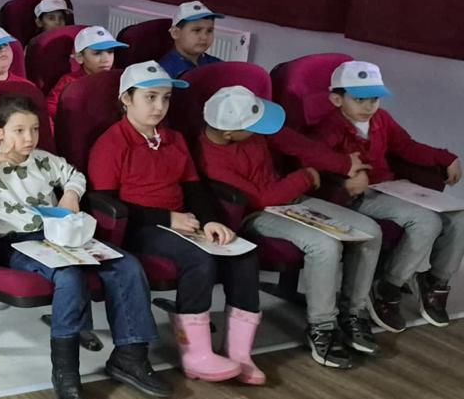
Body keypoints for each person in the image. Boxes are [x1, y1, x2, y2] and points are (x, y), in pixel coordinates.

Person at [0, 94, 171, 399]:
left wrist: (70, 194)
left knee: (126, 266)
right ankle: (66, 372)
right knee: (69, 278)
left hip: (57, 234)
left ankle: (131, 357)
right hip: (15, 242)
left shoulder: (44, 160)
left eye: (34, 129)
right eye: (19, 131)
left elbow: (74, 175)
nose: (29, 138)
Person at [87, 61, 262, 384]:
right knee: (199, 260)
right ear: (126, 99)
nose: (159, 107)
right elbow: (108, 206)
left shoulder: (175, 139)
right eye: (150, 97)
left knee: (243, 254)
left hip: (182, 223)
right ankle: (196, 354)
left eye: (166, 98)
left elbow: (194, 188)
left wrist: (211, 221)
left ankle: (238, 352)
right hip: (139, 228)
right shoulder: (110, 144)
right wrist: (167, 218)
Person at [194, 85, 384, 369]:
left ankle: (353, 313)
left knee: (371, 231)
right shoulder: (210, 159)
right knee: (324, 245)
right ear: (229, 133)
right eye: (254, 127)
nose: (260, 130)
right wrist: (305, 177)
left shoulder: (249, 128)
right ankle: (322, 327)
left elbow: (299, 144)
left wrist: (345, 164)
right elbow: (261, 199)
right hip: (257, 214)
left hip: (292, 200)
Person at [311, 60, 462, 330]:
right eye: (359, 100)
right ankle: (388, 286)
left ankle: (435, 281)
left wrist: (445, 157)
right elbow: (317, 163)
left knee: (458, 215)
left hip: (391, 187)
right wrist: (346, 178)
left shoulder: (381, 119)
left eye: (374, 99)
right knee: (426, 221)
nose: (368, 107)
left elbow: (406, 146)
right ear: (337, 99)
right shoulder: (330, 128)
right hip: (358, 196)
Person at [47, 26, 126, 118]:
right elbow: (50, 109)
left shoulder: (119, 79)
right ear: (79, 57)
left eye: (110, 52)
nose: (106, 59)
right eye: (97, 53)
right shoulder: (69, 82)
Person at [157, 1, 225, 79]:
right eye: (197, 30)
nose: (204, 37)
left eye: (209, 31)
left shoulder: (217, 65)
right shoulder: (164, 72)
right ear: (175, 33)